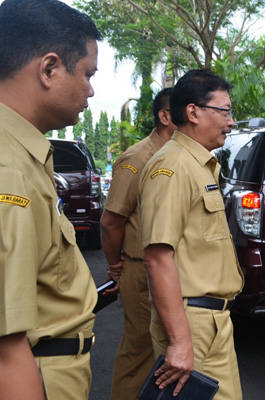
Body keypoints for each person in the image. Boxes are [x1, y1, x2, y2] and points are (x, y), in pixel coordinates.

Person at [0, 0, 101, 399]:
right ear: (49, 68)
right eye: (87, 74)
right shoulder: (9, 169)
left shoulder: (24, 153)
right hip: (38, 375)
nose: (90, 90)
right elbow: (6, 348)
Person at [139, 69, 244, 399]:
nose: (230, 122)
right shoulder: (172, 167)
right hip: (193, 323)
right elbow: (157, 257)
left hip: (207, 321)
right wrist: (181, 341)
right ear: (193, 112)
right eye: (224, 111)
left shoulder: (197, 165)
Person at [101, 88, 176, 399]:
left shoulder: (174, 156)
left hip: (167, 271)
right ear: (165, 116)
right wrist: (116, 265)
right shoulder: (138, 157)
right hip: (141, 270)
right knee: (139, 352)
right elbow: (111, 221)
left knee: (165, 353)